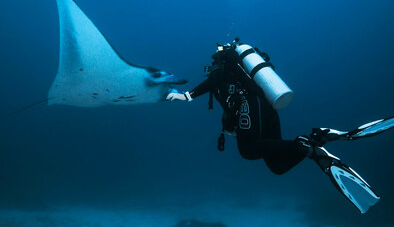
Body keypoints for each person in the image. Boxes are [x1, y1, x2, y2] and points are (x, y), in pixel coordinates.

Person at [166, 38, 393, 213]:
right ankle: (313, 142)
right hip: (266, 108)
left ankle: (304, 145)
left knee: (248, 151)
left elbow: (213, 81)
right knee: (277, 166)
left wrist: (185, 96)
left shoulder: (224, 64)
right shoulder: (238, 67)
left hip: (251, 104)